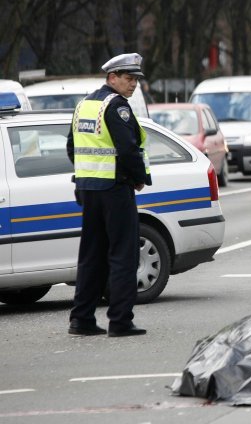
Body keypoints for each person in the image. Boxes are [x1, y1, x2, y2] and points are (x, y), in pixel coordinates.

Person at [66, 53, 152, 337]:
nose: (133, 85)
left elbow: (71, 147)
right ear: (112, 78)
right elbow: (128, 150)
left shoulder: (83, 106)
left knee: (91, 256)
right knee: (123, 256)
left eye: (136, 80)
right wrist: (138, 178)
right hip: (115, 190)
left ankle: (81, 319)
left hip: (89, 190)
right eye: (128, 79)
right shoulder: (116, 107)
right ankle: (120, 321)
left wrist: (88, 173)